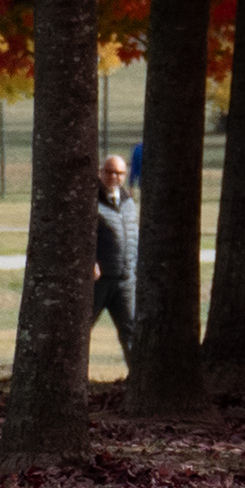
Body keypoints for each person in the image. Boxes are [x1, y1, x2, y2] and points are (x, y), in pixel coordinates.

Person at [91, 152, 137, 360]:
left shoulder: (128, 202)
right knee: (82, 329)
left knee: (132, 332)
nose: (114, 177)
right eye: (109, 172)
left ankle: (137, 379)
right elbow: (83, 237)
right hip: (98, 281)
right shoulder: (92, 201)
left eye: (119, 173)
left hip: (125, 281)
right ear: (101, 172)